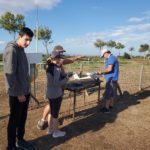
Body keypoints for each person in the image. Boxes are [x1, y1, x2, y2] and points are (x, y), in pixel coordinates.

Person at [3, 27, 34, 150]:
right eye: (26, 39)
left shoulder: (21, 50)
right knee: (14, 120)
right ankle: (11, 146)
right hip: (17, 93)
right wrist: (19, 93)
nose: (28, 43)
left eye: (30, 40)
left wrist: (26, 90)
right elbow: (10, 74)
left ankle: (20, 140)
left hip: (24, 92)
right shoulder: (12, 50)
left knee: (22, 119)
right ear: (19, 36)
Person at [37, 45, 81, 130]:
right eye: (61, 52)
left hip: (56, 87)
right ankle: (45, 121)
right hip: (55, 88)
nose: (62, 54)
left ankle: (50, 124)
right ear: (56, 51)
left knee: (52, 106)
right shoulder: (53, 61)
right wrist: (75, 58)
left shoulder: (55, 60)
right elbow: (67, 61)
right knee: (51, 106)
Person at [45, 50, 73, 138]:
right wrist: (67, 78)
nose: (61, 60)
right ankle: (56, 132)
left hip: (49, 93)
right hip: (56, 93)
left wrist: (64, 75)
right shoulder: (56, 68)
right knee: (55, 114)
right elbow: (56, 83)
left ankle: (50, 129)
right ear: (56, 59)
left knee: (51, 112)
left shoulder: (48, 66)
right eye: (60, 58)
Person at [98, 49, 119, 113]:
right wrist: (104, 74)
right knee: (112, 93)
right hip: (113, 78)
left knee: (108, 93)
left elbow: (109, 69)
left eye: (103, 55)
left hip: (111, 79)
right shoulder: (113, 57)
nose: (103, 57)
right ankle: (111, 105)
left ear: (105, 53)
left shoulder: (111, 58)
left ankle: (106, 108)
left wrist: (101, 72)